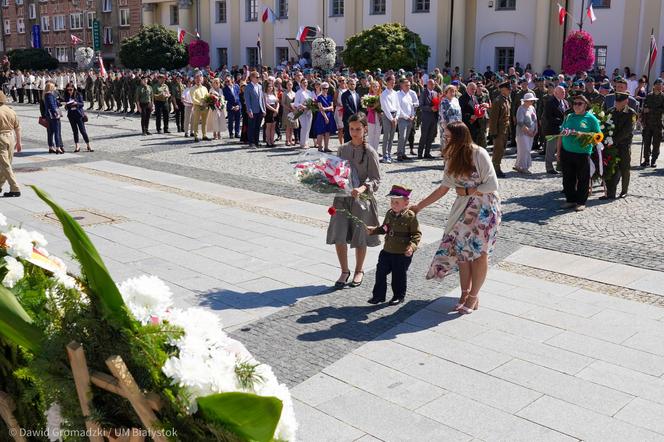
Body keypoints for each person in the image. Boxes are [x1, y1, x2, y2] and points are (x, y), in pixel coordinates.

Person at [412, 121, 500, 314]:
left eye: (449, 136)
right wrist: (419, 206)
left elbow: (492, 184)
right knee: (462, 254)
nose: (445, 139)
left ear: (460, 137)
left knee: (479, 254)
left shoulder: (479, 153)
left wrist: (468, 190)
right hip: (462, 211)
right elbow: (443, 188)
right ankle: (465, 292)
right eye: (445, 135)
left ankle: (474, 296)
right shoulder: (451, 157)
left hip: (484, 210)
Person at [326, 112, 381, 289]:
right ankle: (344, 270)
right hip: (342, 198)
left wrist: (362, 188)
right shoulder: (343, 149)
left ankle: (359, 269)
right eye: (351, 129)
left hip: (362, 200)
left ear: (365, 129)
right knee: (339, 233)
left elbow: (375, 179)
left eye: (358, 129)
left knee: (360, 236)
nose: (354, 132)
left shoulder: (370, 152)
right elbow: (337, 171)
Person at [366, 185, 421, 306]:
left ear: (406, 202)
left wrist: (411, 247)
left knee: (398, 276)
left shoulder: (410, 217)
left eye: (397, 202)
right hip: (387, 251)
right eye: (392, 201)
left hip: (401, 253)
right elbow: (385, 228)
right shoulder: (389, 214)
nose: (393, 204)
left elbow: (416, 234)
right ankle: (379, 296)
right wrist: (374, 230)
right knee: (380, 272)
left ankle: (398, 296)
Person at [557, 95, 601, 212]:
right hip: (567, 152)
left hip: (582, 153)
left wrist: (582, 134)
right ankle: (570, 200)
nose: (576, 106)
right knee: (567, 178)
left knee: (583, 179)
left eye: (579, 103)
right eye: (575, 103)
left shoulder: (591, 118)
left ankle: (581, 202)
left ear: (585, 105)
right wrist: (558, 151)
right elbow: (560, 134)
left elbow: (599, 137)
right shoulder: (569, 117)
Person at [601, 92, 637, 200]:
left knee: (624, 168)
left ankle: (624, 191)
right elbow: (605, 125)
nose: (617, 103)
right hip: (611, 146)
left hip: (623, 145)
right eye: (616, 101)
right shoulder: (611, 111)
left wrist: (613, 140)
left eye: (619, 101)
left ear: (626, 101)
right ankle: (610, 193)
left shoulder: (631, 113)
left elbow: (626, 131)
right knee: (611, 168)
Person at [0, 91, 21, 197]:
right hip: (11, 137)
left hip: (1, 138)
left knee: (5, 164)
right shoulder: (11, 110)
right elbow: (18, 127)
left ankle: (15, 188)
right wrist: (19, 142)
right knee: (7, 164)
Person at [488, 81, 511, 178]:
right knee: (497, 150)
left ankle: (497, 167)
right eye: (508, 89)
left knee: (501, 150)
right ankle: (495, 169)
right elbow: (493, 119)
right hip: (499, 131)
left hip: (504, 130)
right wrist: (493, 132)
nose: (510, 91)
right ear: (503, 90)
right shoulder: (498, 101)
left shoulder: (506, 100)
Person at [640, 78, 664, 168]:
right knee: (646, 143)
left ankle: (653, 160)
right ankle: (646, 160)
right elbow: (644, 108)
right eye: (657, 84)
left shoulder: (663, 97)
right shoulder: (648, 96)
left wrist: (651, 110)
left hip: (658, 124)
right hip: (647, 123)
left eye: (661, 85)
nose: (659, 86)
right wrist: (642, 119)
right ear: (654, 86)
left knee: (656, 144)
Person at [62, 82, 92, 153]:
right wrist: (66, 105)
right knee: (75, 131)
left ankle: (88, 145)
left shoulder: (78, 94)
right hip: (71, 115)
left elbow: (82, 104)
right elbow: (66, 106)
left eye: (71, 89)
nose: (69, 91)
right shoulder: (66, 95)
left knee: (82, 130)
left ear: (73, 88)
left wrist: (76, 103)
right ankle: (77, 146)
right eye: (68, 90)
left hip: (79, 115)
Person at [514, 92, 538, 174]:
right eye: (530, 100)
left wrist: (536, 130)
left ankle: (518, 165)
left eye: (532, 101)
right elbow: (520, 122)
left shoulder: (532, 108)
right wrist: (528, 131)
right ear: (525, 101)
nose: (532, 102)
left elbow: (535, 120)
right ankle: (524, 167)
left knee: (524, 150)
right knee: (525, 150)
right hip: (522, 133)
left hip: (531, 133)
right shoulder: (521, 108)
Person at [396, 78, 418, 161]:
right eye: (406, 85)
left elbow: (412, 107)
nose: (408, 87)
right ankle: (399, 154)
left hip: (410, 119)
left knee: (406, 137)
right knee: (402, 137)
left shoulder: (409, 95)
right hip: (402, 118)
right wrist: (406, 116)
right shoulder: (398, 95)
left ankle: (403, 152)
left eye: (409, 85)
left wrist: (412, 115)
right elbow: (398, 108)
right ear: (401, 86)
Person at [380, 75, 400, 163]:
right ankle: (384, 155)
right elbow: (385, 108)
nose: (393, 83)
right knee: (386, 136)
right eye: (391, 81)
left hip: (395, 116)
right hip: (387, 116)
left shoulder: (395, 93)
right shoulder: (383, 94)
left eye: (394, 81)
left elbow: (398, 106)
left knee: (392, 136)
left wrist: (396, 117)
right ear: (387, 82)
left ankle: (389, 154)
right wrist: (392, 119)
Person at [438, 85, 462, 155]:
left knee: (455, 144)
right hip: (447, 126)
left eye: (454, 91)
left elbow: (460, 113)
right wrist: (445, 127)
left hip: (456, 125)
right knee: (447, 144)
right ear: (446, 92)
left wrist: (460, 123)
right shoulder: (444, 102)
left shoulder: (456, 100)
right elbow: (442, 115)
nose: (452, 93)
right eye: (450, 91)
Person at [418, 79, 438, 159]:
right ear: (428, 84)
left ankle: (427, 153)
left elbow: (437, 103)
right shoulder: (423, 93)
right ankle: (420, 153)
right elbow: (421, 106)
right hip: (426, 117)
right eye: (431, 84)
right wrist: (430, 108)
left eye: (433, 84)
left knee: (430, 136)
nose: (432, 86)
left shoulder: (435, 93)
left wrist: (437, 108)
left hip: (434, 117)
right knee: (424, 136)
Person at [313, 82, 335, 152]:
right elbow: (320, 108)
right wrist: (325, 117)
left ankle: (326, 147)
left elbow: (332, 107)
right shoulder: (319, 97)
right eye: (324, 88)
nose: (325, 90)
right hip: (322, 116)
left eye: (327, 88)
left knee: (327, 132)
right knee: (320, 132)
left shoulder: (330, 97)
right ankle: (320, 147)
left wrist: (325, 108)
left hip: (329, 115)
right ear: (321, 88)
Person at [43, 82, 64, 154]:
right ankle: (58, 147)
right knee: (56, 131)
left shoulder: (46, 95)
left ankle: (51, 147)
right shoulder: (50, 95)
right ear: (51, 88)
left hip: (48, 116)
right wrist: (56, 112)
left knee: (50, 132)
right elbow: (52, 106)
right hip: (53, 116)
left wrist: (59, 103)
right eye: (53, 87)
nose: (55, 88)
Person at [294, 78, 314, 149]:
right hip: (301, 111)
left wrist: (311, 105)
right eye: (303, 83)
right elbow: (296, 103)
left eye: (306, 83)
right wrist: (302, 106)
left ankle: (306, 142)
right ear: (301, 84)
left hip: (309, 111)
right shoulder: (298, 92)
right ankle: (302, 143)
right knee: (304, 127)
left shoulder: (309, 92)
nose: (305, 84)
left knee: (308, 127)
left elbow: (312, 101)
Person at [190, 73, 210, 142]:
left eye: (200, 79)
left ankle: (204, 135)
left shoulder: (204, 88)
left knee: (204, 122)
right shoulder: (192, 89)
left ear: (202, 80)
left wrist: (207, 102)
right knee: (196, 122)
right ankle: (196, 136)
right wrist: (200, 103)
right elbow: (193, 99)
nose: (198, 80)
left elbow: (207, 96)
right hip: (197, 107)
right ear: (195, 80)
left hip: (205, 107)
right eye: (197, 78)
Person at [341, 78, 361, 142]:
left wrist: (359, 115)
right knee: (348, 135)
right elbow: (346, 106)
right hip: (348, 118)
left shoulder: (357, 94)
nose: (352, 85)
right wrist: (354, 115)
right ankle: (346, 151)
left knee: (355, 135)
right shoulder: (344, 95)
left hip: (356, 118)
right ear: (348, 85)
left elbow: (359, 106)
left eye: (354, 84)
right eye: (351, 84)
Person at [366, 80, 382, 152]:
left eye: (377, 86)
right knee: (371, 135)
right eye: (374, 86)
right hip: (371, 117)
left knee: (377, 135)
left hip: (379, 117)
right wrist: (374, 106)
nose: (375, 88)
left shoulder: (381, 96)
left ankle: (375, 151)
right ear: (371, 87)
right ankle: (370, 151)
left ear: (379, 87)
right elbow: (368, 108)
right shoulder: (368, 96)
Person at [280, 79, 297, 146]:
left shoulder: (294, 93)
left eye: (291, 84)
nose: (290, 86)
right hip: (287, 111)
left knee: (292, 127)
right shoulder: (285, 93)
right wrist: (289, 108)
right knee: (288, 127)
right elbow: (283, 103)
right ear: (286, 85)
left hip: (293, 111)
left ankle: (290, 139)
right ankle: (287, 140)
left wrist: (294, 109)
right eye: (288, 85)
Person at [263, 82, 280, 147]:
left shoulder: (274, 94)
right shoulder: (265, 94)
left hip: (275, 110)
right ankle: (268, 141)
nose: (270, 88)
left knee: (273, 127)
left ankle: (272, 141)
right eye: (269, 86)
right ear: (266, 87)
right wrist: (274, 110)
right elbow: (266, 104)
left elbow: (277, 102)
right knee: (268, 126)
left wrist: (277, 109)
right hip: (269, 111)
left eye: (271, 86)